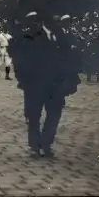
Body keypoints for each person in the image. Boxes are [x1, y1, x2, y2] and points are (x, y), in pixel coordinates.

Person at [11, 10, 80, 158]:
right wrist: (24, 80)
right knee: (34, 115)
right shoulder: (29, 37)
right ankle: (35, 146)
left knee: (54, 114)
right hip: (35, 84)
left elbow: (68, 58)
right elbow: (19, 61)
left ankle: (46, 143)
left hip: (55, 85)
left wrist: (68, 80)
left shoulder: (61, 36)